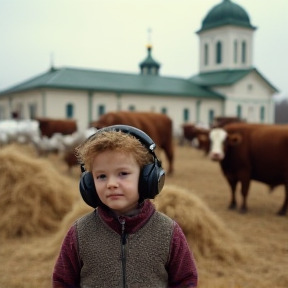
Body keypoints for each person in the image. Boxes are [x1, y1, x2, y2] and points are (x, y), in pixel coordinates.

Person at [52, 125, 198, 288]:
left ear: (146, 178)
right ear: (89, 184)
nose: (111, 184)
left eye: (123, 173)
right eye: (101, 176)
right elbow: (62, 281)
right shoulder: (80, 233)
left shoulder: (168, 231)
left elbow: (186, 280)